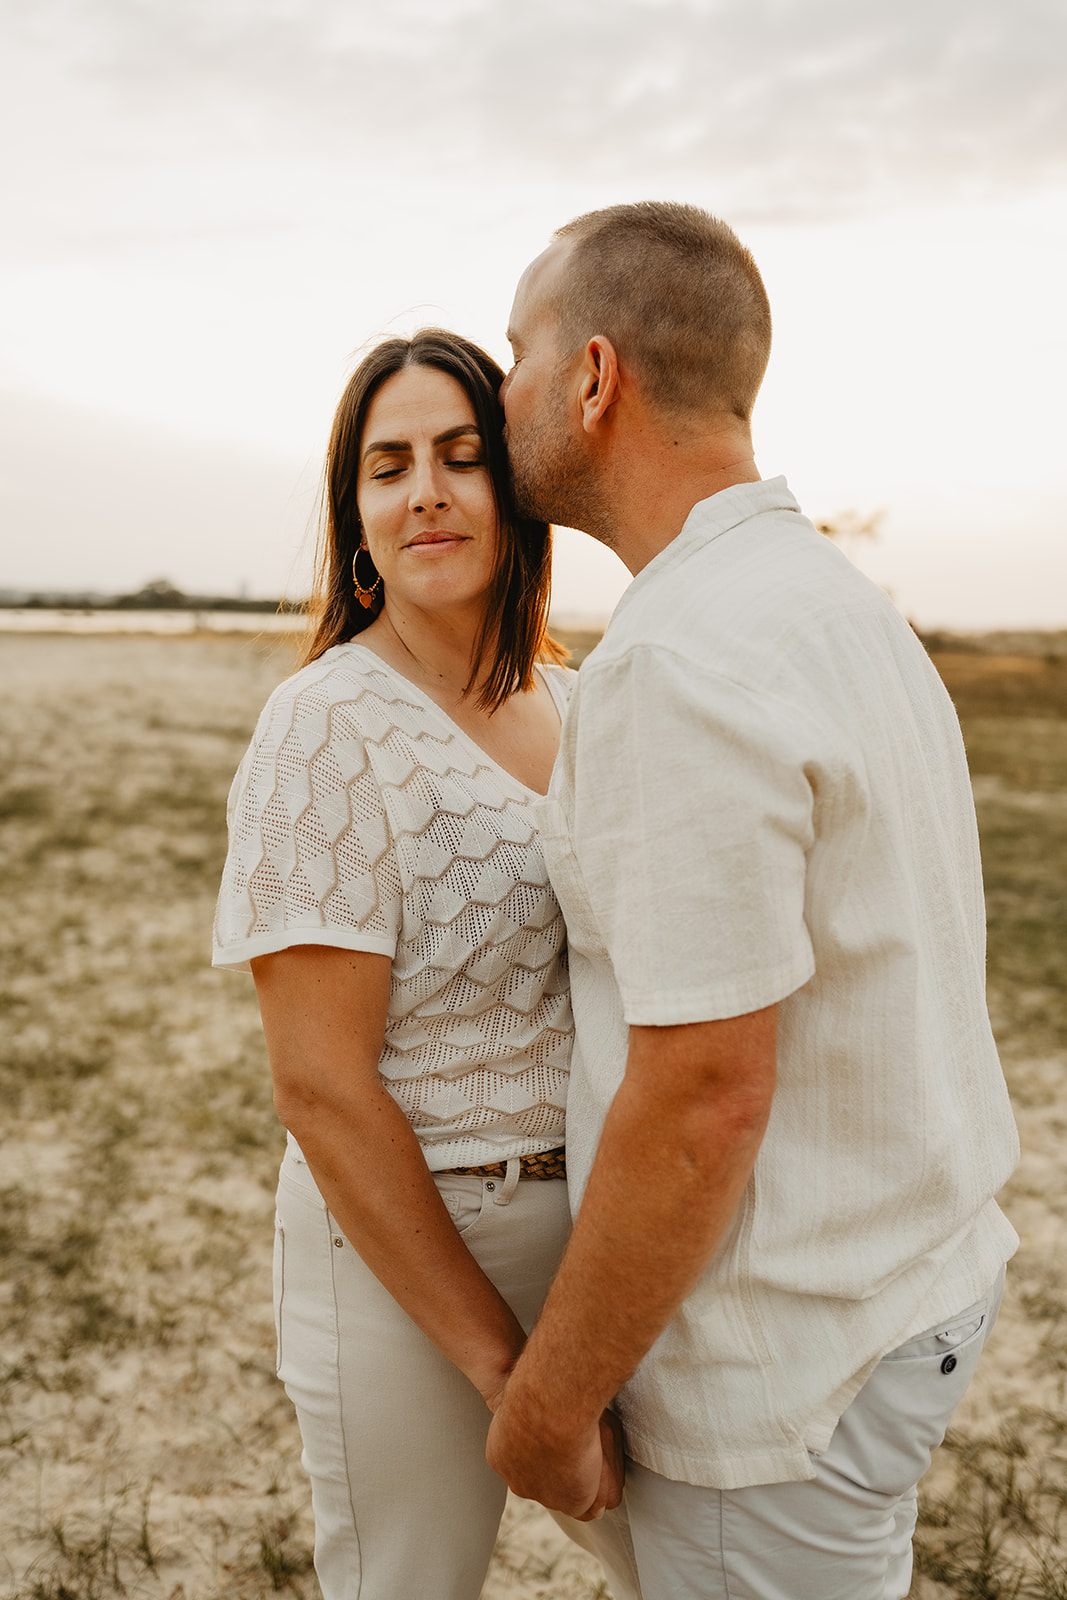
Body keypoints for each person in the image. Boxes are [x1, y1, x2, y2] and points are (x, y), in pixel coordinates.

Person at [486, 202, 1021, 1599]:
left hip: (783, 1371)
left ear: (592, 379)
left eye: (516, 351)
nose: (503, 392)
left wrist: (551, 1401)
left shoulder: (679, 664)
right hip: (899, 1290)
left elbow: (702, 1096)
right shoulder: (830, 604)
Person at [211, 328, 624, 1600]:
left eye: (460, 456)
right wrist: (505, 1373)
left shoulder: (581, 698)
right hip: (403, 1252)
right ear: (357, 515)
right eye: (387, 466)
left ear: (518, 491)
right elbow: (321, 1087)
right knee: (408, 1584)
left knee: (689, 1560)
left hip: (597, 1236)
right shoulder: (324, 724)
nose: (426, 491)